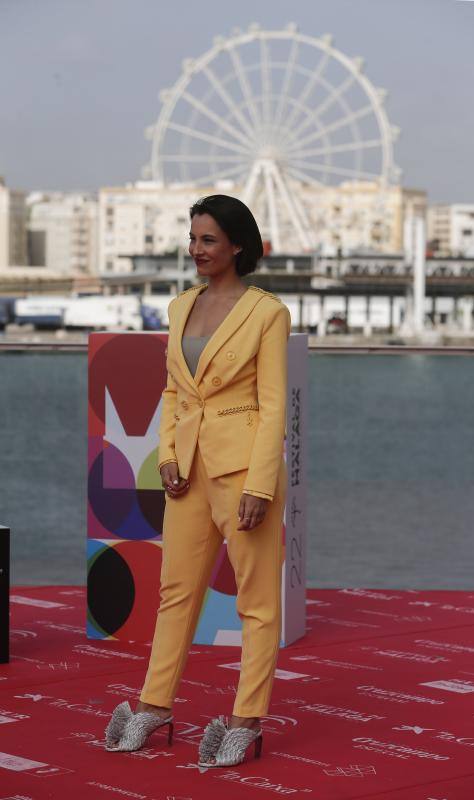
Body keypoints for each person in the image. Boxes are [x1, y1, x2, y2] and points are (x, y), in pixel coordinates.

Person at [104, 194, 291, 767]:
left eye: (208, 240)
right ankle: (155, 706)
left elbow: (273, 404)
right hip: (186, 473)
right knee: (175, 595)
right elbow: (173, 390)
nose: (196, 250)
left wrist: (260, 486)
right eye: (192, 239)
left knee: (256, 604)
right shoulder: (180, 306)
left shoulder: (268, 314)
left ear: (237, 244)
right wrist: (166, 453)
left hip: (243, 474)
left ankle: (246, 718)